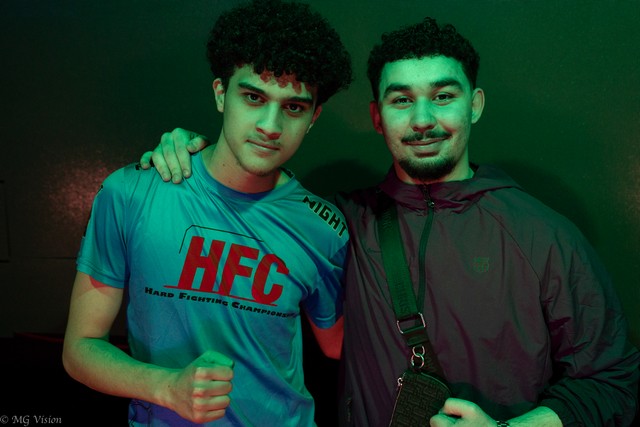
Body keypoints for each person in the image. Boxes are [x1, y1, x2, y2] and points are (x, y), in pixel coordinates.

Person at [139, 17, 640, 427]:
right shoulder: (334, 225)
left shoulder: (543, 235)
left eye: (443, 96)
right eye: (402, 100)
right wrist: (189, 153)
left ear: (474, 105)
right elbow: (250, 189)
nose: (422, 119)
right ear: (378, 116)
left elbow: (612, 379)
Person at [62, 1, 353, 426]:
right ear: (221, 94)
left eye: (293, 107)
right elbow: (80, 349)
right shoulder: (131, 193)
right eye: (253, 97)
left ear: (313, 117)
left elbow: (340, 345)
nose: (270, 126)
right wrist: (166, 387)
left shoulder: (324, 227)